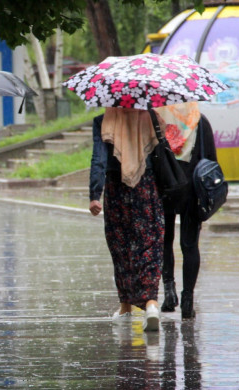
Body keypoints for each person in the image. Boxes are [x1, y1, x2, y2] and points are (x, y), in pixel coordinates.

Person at [88, 107, 163, 332]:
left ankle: (126, 308)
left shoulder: (103, 121)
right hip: (147, 186)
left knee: (121, 246)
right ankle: (151, 304)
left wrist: (94, 194)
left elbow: (98, 158)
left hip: (116, 187)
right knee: (149, 243)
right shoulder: (151, 117)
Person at [153, 103, 218, 319]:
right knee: (189, 245)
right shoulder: (200, 120)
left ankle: (169, 293)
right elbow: (211, 161)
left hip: (163, 187)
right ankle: (188, 300)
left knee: (164, 241)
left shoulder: (156, 119)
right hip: (192, 189)